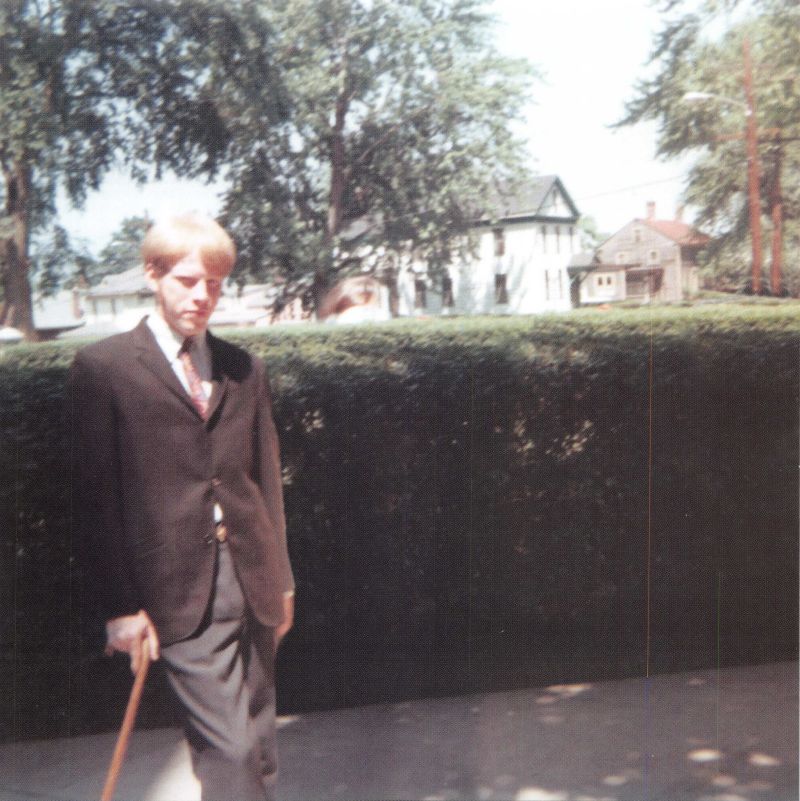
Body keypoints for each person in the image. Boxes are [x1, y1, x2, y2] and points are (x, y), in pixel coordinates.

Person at [69, 214, 295, 801]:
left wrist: (283, 582)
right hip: (174, 589)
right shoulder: (105, 369)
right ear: (153, 274)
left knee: (259, 748)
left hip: (252, 578)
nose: (202, 296)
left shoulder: (243, 368)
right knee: (230, 749)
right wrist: (120, 607)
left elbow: (264, 479)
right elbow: (96, 502)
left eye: (214, 284)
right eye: (188, 281)